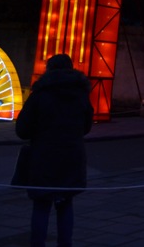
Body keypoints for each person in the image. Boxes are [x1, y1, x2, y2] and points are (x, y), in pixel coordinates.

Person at [15, 53, 94, 247]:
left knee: (41, 206)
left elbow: (22, 129)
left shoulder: (40, 94)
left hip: (44, 157)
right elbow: (86, 127)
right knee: (65, 204)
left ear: (48, 69)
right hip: (71, 156)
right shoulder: (81, 95)